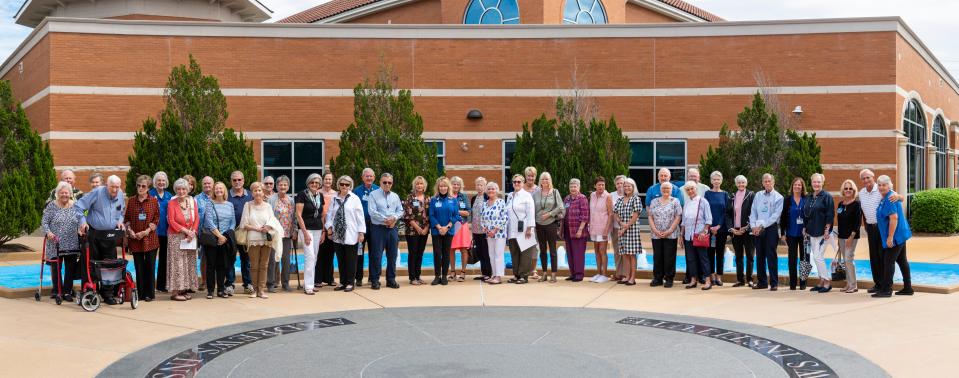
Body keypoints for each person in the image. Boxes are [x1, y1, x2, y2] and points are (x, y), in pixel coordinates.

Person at [76, 175, 126, 304]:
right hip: (94, 233)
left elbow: (121, 212)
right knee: (91, 264)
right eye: (112, 187)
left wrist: (120, 222)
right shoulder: (97, 192)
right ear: (106, 186)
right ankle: (89, 293)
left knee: (109, 265)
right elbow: (79, 207)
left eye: (117, 187)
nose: (115, 190)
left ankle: (108, 294)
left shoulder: (120, 194)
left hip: (110, 235)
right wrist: (83, 222)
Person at [858, 169, 909, 294]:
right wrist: (866, 225)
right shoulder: (862, 193)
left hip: (884, 230)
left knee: (885, 258)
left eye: (868, 177)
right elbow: (863, 211)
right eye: (863, 178)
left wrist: (899, 196)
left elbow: (899, 202)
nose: (866, 180)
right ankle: (879, 284)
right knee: (874, 258)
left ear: (873, 177)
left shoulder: (884, 192)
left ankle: (885, 287)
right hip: (871, 228)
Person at [238, 182, 282, 299]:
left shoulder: (267, 206)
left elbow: (272, 220)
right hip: (253, 239)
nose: (258, 193)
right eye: (255, 191)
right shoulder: (248, 205)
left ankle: (261, 290)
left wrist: (267, 227)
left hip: (266, 239)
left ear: (263, 193)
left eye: (260, 190)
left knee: (264, 265)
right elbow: (244, 224)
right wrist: (257, 229)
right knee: (254, 266)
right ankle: (254, 290)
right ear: (252, 193)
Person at [873, 175, 913, 298]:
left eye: (884, 185)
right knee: (902, 261)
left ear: (889, 185)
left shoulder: (889, 198)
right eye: (879, 185)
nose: (881, 187)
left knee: (888, 262)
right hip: (901, 234)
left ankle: (886, 290)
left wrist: (890, 237)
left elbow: (894, 218)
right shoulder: (888, 196)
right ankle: (908, 288)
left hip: (895, 236)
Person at [42, 181, 82, 303]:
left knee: (70, 268)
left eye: (66, 192)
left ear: (70, 193)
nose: (64, 194)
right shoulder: (51, 206)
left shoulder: (76, 205)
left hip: (72, 242)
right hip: (55, 242)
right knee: (56, 268)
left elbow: (83, 217)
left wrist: (82, 227)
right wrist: (48, 233)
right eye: (62, 192)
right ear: (58, 194)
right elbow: (44, 222)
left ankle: (67, 291)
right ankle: (56, 290)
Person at [326, 175, 366, 293]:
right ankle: (343, 282)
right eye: (342, 184)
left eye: (347, 185)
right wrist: (328, 227)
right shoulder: (334, 198)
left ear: (350, 186)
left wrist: (361, 232)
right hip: (337, 235)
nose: (344, 186)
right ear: (338, 185)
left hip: (351, 234)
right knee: (341, 260)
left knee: (351, 260)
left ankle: (350, 282)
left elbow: (360, 217)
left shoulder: (354, 198)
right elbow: (329, 215)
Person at [123, 175, 160, 302]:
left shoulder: (154, 201)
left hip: (150, 239)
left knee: (150, 266)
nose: (140, 188)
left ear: (148, 187)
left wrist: (146, 232)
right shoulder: (132, 200)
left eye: (143, 186)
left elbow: (156, 219)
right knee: (139, 267)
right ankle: (141, 293)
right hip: (135, 239)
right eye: (138, 185)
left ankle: (150, 294)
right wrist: (130, 231)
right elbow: (127, 218)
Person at [368, 173, 404, 290]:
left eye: (389, 182)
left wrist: (394, 218)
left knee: (392, 255)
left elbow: (401, 211)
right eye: (385, 182)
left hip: (392, 229)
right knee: (376, 255)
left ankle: (391, 279)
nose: (387, 184)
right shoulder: (373, 195)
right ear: (380, 182)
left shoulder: (395, 196)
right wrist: (386, 220)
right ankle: (375, 280)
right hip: (378, 229)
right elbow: (372, 212)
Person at [166, 178, 199, 302]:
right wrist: (186, 231)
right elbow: (171, 220)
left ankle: (183, 290)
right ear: (175, 190)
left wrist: (193, 232)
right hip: (176, 236)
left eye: (183, 189)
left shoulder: (192, 202)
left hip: (189, 236)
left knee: (188, 263)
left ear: (188, 189)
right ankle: (175, 292)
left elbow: (197, 218)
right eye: (178, 189)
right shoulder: (172, 203)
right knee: (177, 264)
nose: (181, 191)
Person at [750, 173, 784, 291]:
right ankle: (762, 282)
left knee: (771, 255)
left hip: (771, 229)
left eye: (769, 181)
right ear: (762, 183)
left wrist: (761, 226)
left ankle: (774, 283)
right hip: (757, 229)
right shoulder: (758, 195)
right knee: (759, 256)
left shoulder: (779, 197)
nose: (767, 183)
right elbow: (753, 211)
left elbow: (775, 216)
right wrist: (754, 226)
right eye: (765, 181)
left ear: (773, 182)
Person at [803, 173, 836, 293]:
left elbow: (830, 214)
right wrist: (805, 228)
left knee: (818, 257)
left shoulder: (827, 196)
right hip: (812, 232)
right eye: (814, 182)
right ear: (811, 183)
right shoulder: (809, 197)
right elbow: (806, 214)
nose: (816, 184)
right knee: (817, 258)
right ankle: (821, 281)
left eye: (818, 182)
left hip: (824, 233)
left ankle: (827, 282)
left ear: (822, 183)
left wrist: (827, 229)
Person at [295, 173, 325, 295]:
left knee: (315, 257)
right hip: (306, 229)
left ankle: (311, 284)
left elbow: (322, 215)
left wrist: (323, 231)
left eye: (317, 183)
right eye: (312, 182)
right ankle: (308, 286)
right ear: (308, 183)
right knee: (309, 257)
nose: (314, 184)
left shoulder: (320, 195)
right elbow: (298, 215)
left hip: (318, 229)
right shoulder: (302, 195)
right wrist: (305, 233)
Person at [647, 181, 682, 288]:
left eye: (668, 188)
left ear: (671, 190)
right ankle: (657, 278)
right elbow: (650, 216)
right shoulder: (654, 201)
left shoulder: (675, 201)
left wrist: (670, 230)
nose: (666, 190)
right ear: (660, 190)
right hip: (656, 234)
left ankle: (669, 278)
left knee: (669, 256)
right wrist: (655, 230)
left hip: (670, 234)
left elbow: (678, 216)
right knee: (657, 256)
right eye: (664, 188)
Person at [204, 182, 236, 298]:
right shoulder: (209, 203)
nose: (218, 190)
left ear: (224, 191)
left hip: (225, 239)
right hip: (212, 239)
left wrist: (226, 236)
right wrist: (219, 236)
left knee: (222, 265)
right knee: (211, 265)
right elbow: (209, 222)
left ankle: (221, 290)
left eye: (221, 188)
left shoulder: (229, 205)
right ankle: (210, 290)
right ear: (214, 191)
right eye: (216, 188)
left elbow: (233, 222)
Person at [429, 177, 462, 285]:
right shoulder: (434, 200)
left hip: (449, 231)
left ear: (448, 187)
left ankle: (444, 276)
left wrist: (447, 227)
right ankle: (437, 276)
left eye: (445, 186)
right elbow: (431, 215)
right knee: (437, 253)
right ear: (438, 187)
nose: (443, 188)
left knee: (446, 253)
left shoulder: (453, 200)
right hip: (436, 231)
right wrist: (439, 227)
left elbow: (456, 215)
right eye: (441, 186)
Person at [267, 175, 296, 293]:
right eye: (280, 184)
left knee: (286, 259)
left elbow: (294, 217)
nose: (283, 187)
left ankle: (285, 283)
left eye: (285, 185)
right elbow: (268, 216)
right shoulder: (271, 199)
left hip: (287, 234)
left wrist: (295, 231)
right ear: (277, 186)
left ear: (288, 186)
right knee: (273, 259)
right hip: (275, 234)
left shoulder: (291, 200)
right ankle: (271, 283)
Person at [533, 172, 564, 283]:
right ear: (540, 181)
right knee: (542, 250)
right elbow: (532, 207)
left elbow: (561, 207)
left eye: (546, 179)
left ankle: (554, 274)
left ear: (550, 180)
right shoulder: (536, 193)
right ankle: (544, 273)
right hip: (538, 224)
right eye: (542, 179)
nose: (544, 181)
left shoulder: (555, 192)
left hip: (551, 223)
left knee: (552, 250)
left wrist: (549, 214)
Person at [726, 175, 755, 287]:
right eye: (738, 182)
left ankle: (750, 279)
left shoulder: (751, 195)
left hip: (747, 231)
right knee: (738, 256)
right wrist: (732, 229)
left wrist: (747, 227)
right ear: (736, 184)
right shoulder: (732, 197)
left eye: (743, 182)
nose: (741, 184)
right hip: (736, 232)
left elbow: (754, 212)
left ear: (746, 183)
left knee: (750, 256)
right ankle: (740, 280)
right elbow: (728, 214)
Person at [227, 171, 254, 294]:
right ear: (231, 181)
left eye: (239, 180)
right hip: (230, 233)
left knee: (246, 260)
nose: (237, 182)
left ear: (243, 180)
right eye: (234, 180)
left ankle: (248, 284)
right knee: (230, 259)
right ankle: (230, 284)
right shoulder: (226, 195)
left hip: (246, 233)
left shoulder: (250, 195)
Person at [505, 174, 536, 284]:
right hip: (512, 229)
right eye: (515, 182)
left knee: (525, 253)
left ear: (523, 183)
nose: (517, 183)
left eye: (519, 182)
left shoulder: (527, 195)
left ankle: (524, 276)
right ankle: (516, 274)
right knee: (514, 253)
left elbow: (531, 212)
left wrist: (529, 228)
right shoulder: (510, 195)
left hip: (524, 229)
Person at [682, 181, 712, 290]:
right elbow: (684, 221)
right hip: (688, 235)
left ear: (696, 189)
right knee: (690, 259)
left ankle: (708, 281)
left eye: (692, 189)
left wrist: (704, 232)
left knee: (703, 258)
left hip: (699, 235)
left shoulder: (703, 201)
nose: (690, 191)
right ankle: (693, 280)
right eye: (688, 189)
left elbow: (709, 219)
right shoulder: (686, 203)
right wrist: (681, 235)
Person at [781, 177, 809, 290]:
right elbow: (783, 217)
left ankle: (803, 283)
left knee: (805, 258)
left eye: (799, 185)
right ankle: (792, 284)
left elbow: (810, 216)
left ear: (802, 187)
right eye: (795, 185)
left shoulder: (807, 199)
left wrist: (807, 228)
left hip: (804, 235)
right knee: (791, 259)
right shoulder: (787, 200)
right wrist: (782, 233)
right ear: (792, 186)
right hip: (791, 234)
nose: (797, 187)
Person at [353, 168, 379, 287]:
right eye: (366, 176)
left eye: (371, 176)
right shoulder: (357, 191)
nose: (369, 178)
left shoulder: (379, 189)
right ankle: (358, 278)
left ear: (374, 177)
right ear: (363, 177)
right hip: (361, 226)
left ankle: (373, 277)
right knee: (359, 252)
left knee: (374, 252)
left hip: (375, 225)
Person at [613, 178, 642, 286]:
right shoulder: (620, 200)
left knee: (631, 254)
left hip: (632, 230)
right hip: (622, 229)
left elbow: (635, 214)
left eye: (629, 186)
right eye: (625, 186)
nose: (627, 188)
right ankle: (626, 276)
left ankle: (632, 278)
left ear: (633, 187)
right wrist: (620, 222)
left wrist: (625, 227)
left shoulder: (636, 199)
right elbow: (615, 212)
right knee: (624, 253)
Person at [704, 171, 730, 286]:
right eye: (714, 179)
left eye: (718, 179)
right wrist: (710, 226)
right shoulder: (707, 194)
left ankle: (719, 276)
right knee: (709, 253)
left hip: (721, 229)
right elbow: (705, 211)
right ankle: (712, 276)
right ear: (711, 181)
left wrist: (719, 226)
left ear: (721, 181)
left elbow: (726, 212)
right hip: (709, 229)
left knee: (720, 253)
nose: (716, 181)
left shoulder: (725, 194)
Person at [403, 176, 430, 285]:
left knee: (420, 253)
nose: (419, 185)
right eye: (417, 184)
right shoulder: (410, 198)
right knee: (413, 253)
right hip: (412, 231)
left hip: (425, 230)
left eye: (421, 184)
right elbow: (408, 215)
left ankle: (418, 276)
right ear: (415, 185)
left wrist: (426, 228)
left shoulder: (428, 198)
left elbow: (431, 215)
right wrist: (418, 228)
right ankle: (412, 277)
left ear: (424, 186)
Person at [836, 179, 862, 293]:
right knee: (845, 261)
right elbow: (840, 222)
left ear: (854, 190)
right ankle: (848, 283)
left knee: (848, 259)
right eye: (846, 188)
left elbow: (857, 223)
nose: (848, 190)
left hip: (851, 237)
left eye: (850, 188)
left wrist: (851, 237)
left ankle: (853, 285)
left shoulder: (856, 204)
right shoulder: (840, 204)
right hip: (841, 236)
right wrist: (839, 238)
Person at [481, 181, 508, 285]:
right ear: (486, 191)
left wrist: (495, 230)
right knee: (491, 255)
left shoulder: (501, 202)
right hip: (489, 234)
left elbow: (505, 217)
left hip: (499, 233)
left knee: (498, 254)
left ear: (497, 190)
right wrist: (487, 230)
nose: (491, 190)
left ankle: (498, 276)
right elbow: (482, 219)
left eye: (493, 188)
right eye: (489, 189)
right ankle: (493, 274)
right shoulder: (484, 204)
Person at [150, 172, 172, 294]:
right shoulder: (150, 195)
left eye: (163, 180)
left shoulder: (169, 196)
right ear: (155, 182)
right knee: (151, 259)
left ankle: (161, 285)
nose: (161, 183)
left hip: (166, 232)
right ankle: (150, 285)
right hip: (153, 232)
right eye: (159, 180)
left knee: (164, 259)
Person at [564, 179, 590, 283]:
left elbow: (585, 216)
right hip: (567, 230)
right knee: (570, 253)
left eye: (575, 186)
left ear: (579, 187)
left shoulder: (582, 198)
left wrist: (580, 230)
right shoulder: (567, 199)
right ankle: (572, 273)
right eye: (571, 186)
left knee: (578, 253)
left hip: (578, 230)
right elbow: (564, 212)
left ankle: (579, 274)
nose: (573, 188)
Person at [588, 177, 613, 283]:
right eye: (599, 185)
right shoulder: (592, 195)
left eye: (603, 184)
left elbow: (610, 214)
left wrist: (606, 230)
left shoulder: (607, 196)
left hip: (603, 227)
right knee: (596, 251)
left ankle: (604, 275)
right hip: (594, 227)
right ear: (595, 186)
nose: (601, 187)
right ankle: (598, 273)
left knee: (603, 251)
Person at [448, 176, 473, 282]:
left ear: (460, 185)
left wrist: (455, 211)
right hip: (450, 226)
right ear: (451, 185)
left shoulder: (464, 197)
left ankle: (463, 272)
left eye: (458, 184)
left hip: (462, 226)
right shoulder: (447, 196)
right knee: (451, 249)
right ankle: (452, 272)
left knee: (463, 249)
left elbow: (468, 212)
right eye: (454, 184)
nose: (456, 186)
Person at [316, 172, 337, 288]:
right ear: (322, 180)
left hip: (332, 227)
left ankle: (330, 279)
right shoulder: (317, 193)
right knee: (319, 254)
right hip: (319, 226)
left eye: (330, 179)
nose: (328, 181)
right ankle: (318, 279)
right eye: (326, 179)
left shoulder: (336, 194)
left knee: (330, 254)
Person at [195, 176, 214, 292]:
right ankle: (204, 281)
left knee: (217, 258)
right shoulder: (197, 198)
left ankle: (214, 280)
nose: (207, 185)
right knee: (204, 258)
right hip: (203, 233)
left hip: (217, 232)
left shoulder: (217, 197)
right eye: (205, 183)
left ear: (213, 184)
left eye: (209, 183)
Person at [523, 166, 542, 281]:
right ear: (525, 176)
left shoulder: (539, 189)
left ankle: (533, 270)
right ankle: (525, 269)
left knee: (535, 247)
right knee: (524, 246)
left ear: (535, 177)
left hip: (536, 222)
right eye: (529, 175)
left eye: (532, 175)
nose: (530, 177)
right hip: (523, 223)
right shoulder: (521, 188)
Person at [471, 177, 492, 281]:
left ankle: (489, 273)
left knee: (486, 252)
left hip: (485, 231)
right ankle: (484, 273)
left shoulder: (487, 197)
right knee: (479, 252)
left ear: (485, 186)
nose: (479, 187)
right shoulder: (473, 198)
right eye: (478, 185)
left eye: (481, 185)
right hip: (475, 231)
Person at [610, 175, 627, 281]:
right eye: (618, 183)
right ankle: (619, 273)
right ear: (615, 185)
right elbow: (609, 212)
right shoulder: (611, 195)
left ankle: (626, 274)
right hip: (615, 228)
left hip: (628, 228)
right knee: (617, 251)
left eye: (622, 183)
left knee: (626, 251)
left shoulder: (630, 195)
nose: (620, 185)